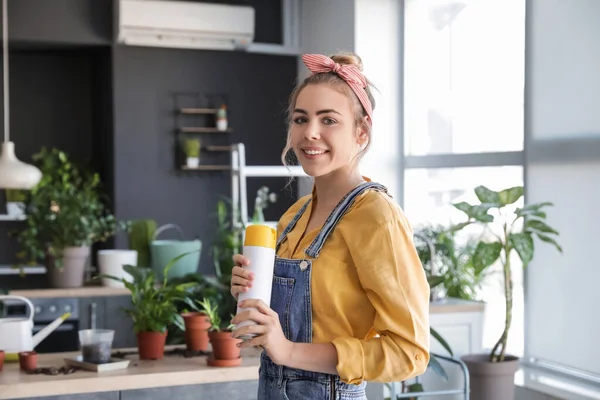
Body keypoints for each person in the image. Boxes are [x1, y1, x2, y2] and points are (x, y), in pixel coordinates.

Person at [229, 52, 430, 400]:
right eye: (300, 119)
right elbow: (285, 329)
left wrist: (288, 350)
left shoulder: (377, 216)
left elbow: (409, 352)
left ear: (361, 132)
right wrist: (252, 297)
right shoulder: (294, 216)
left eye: (329, 120)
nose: (310, 133)